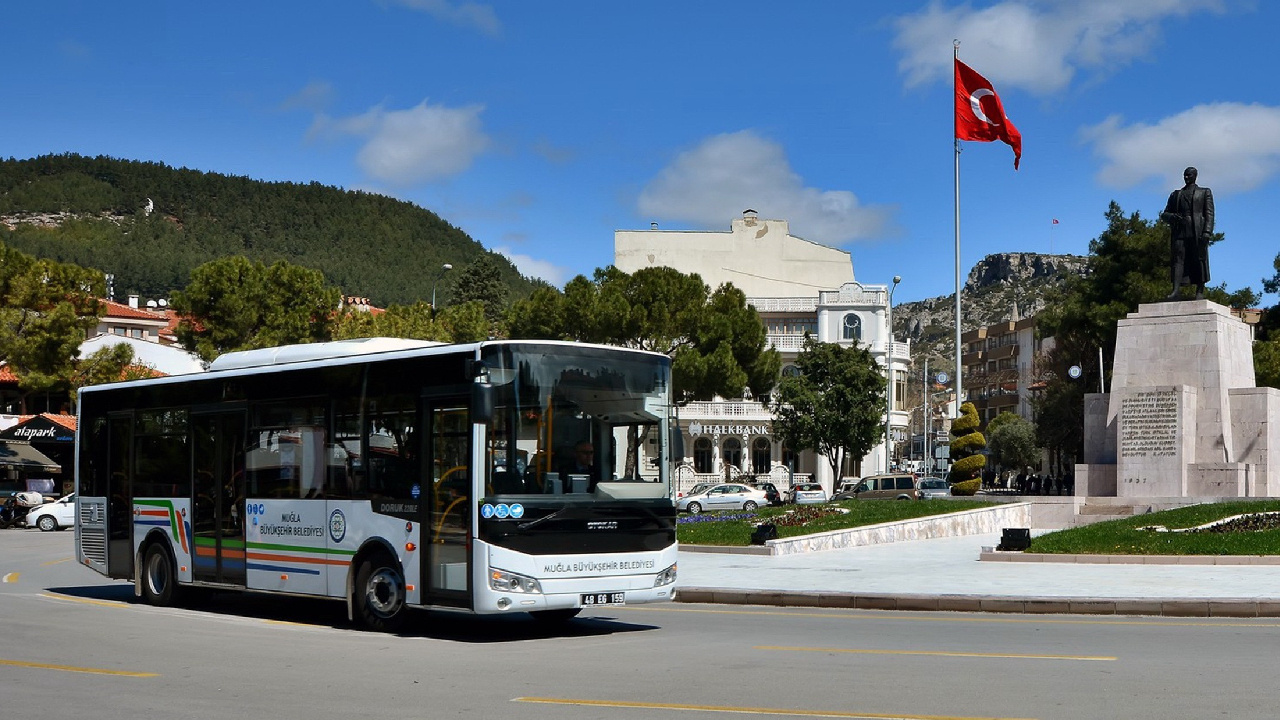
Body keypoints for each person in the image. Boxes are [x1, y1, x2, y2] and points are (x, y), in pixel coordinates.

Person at [1160, 166, 1214, 301]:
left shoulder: (1204, 192)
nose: (1186, 177)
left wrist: (1207, 231)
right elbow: (1164, 213)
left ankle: (1200, 290)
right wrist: (1171, 217)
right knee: (1178, 260)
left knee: (1199, 259)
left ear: (1195, 176)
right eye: (1185, 175)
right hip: (1180, 230)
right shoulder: (1176, 194)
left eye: (1189, 175)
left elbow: (1209, 214)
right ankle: (1176, 290)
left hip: (1197, 230)